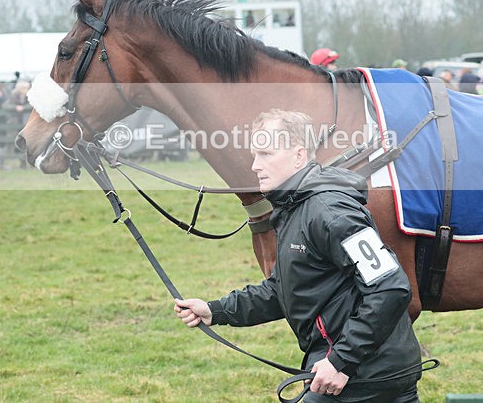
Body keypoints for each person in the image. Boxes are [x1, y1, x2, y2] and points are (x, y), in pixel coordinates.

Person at [174, 109, 423, 402]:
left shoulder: (330, 213)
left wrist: (340, 362)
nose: (255, 166)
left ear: (299, 155)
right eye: (254, 155)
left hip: (366, 374)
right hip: (361, 367)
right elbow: (283, 289)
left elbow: (390, 287)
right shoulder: (292, 208)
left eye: (266, 154)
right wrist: (216, 310)